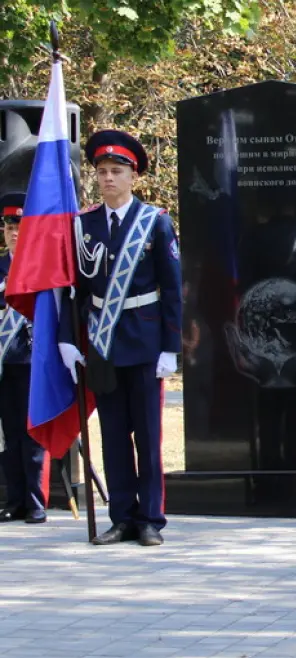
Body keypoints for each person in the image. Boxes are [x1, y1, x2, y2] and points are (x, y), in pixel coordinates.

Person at [57, 130, 182, 546]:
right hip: (102, 343)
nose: (108, 178)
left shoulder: (155, 221)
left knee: (147, 437)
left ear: (133, 177)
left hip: (145, 342)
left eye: (116, 171)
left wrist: (170, 347)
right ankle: (122, 516)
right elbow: (73, 290)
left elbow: (174, 289)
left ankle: (150, 519)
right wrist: (66, 338)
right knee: (112, 436)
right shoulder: (83, 225)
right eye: (102, 171)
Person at [0, 192, 47, 524]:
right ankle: (14, 499)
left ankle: (35, 501)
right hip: (3, 362)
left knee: (32, 434)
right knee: (9, 433)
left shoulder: (39, 267)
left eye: (20, 225)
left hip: (30, 359)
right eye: (8, 225)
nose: (14, 231)